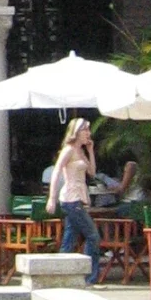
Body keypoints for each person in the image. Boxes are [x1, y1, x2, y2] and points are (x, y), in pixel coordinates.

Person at [48, 118, 103, 282]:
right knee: (93, 236)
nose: (88, 133)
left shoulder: (80, 151)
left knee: (70, 238)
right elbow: (57, 171)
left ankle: (60, 275)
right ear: (76, 132)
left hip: (79, 198)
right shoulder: (69, 150)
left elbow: (92, 172)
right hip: (71, 198)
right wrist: (52, 197)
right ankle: (89, 277)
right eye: (85, 130)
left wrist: (91, 151)